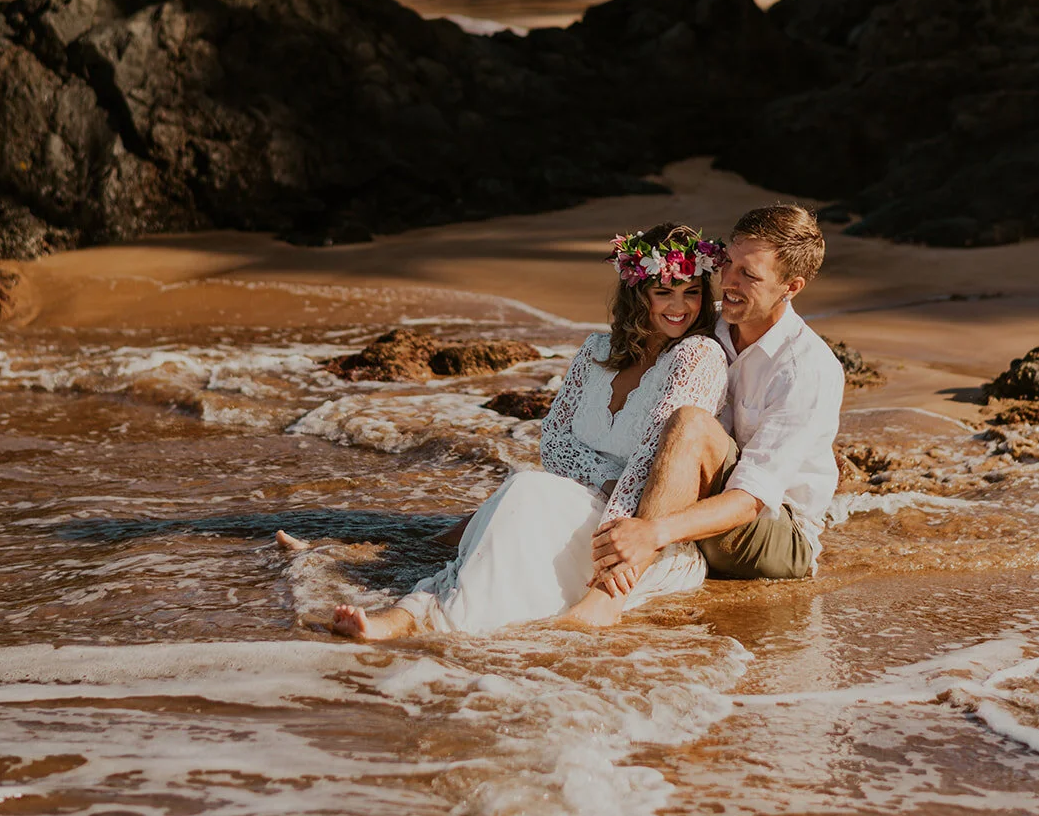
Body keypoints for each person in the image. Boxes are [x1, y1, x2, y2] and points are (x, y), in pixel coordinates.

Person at [320, 222, 730, 640]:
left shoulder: (698, 355)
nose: (680, 306)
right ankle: (419, 613)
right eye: (664, 292)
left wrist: (614, 534)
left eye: (691, 292)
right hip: (581, 499)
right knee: (525, 490)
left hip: (637, 535)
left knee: (526, 501)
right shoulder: (595, 351)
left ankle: (420, 617)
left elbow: (651, 460)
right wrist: (604, 479)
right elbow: (553, 441)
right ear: (637, 293)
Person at [586, 203, 844, 607]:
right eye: (729, 263)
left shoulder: (807, 370)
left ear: (790, 287)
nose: (728, 282)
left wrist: (651, 532)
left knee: (691, 423)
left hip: (772, 531)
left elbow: (750, 499)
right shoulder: (710, 325)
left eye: (749, 275)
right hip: (694, 499)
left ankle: (602, 604)